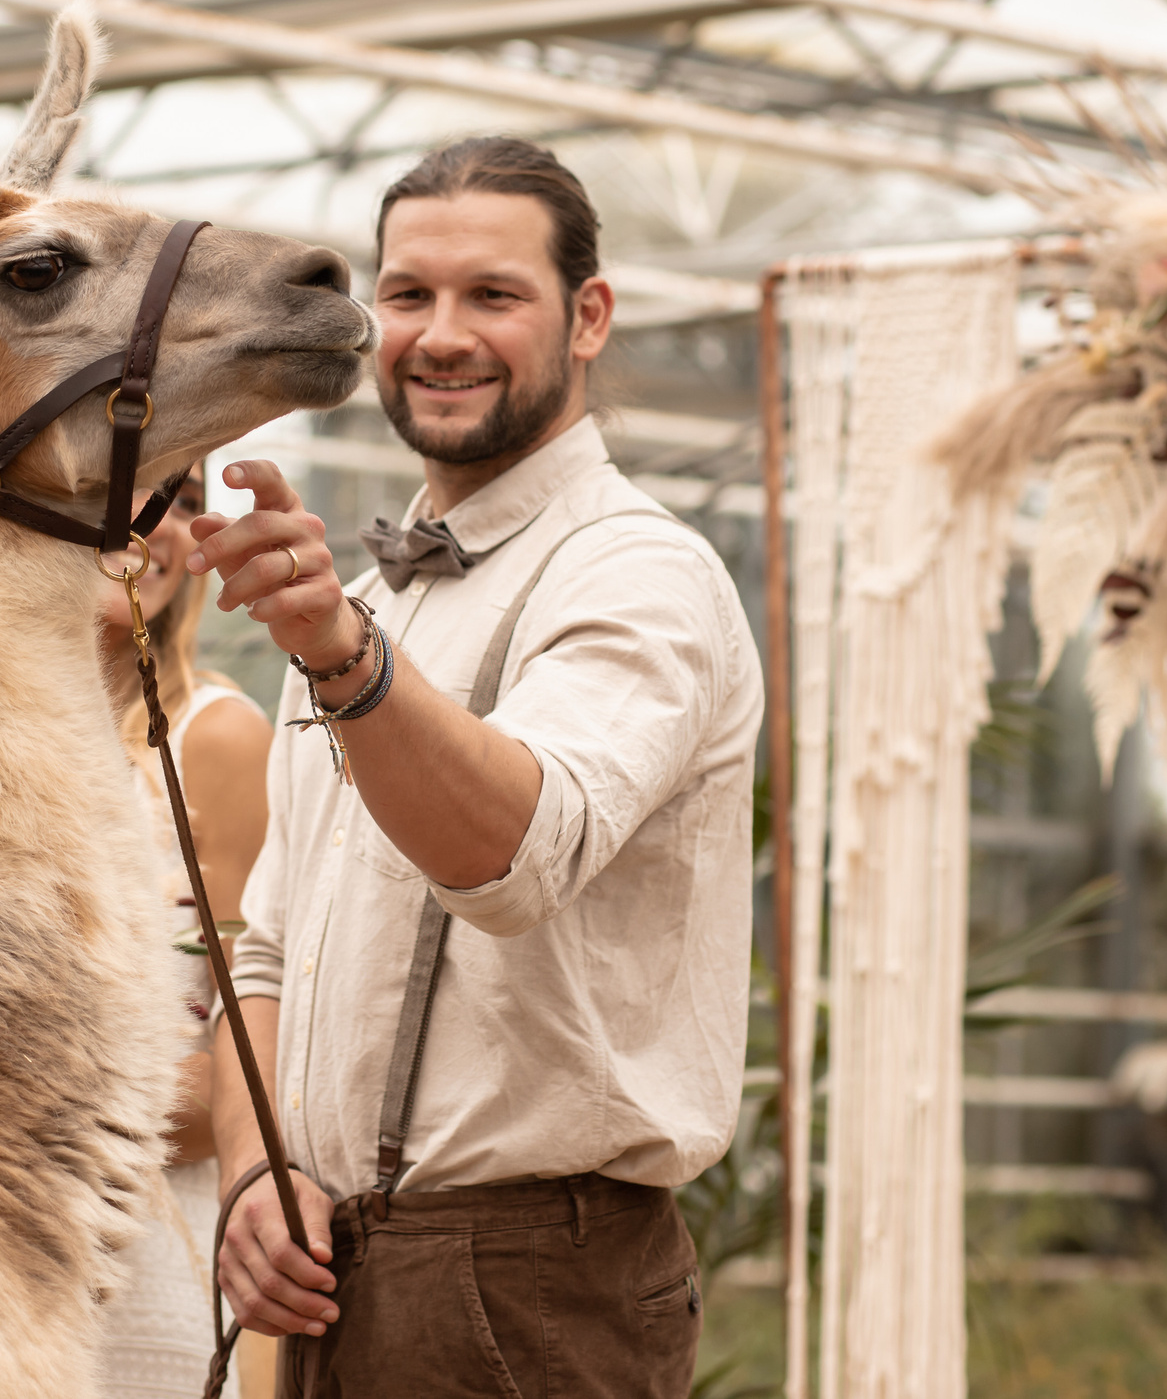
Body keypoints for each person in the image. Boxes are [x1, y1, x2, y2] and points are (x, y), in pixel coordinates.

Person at [186, 136, 763, 1397]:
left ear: (588, 315)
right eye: (408, 296)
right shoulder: (358, 600)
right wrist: (253, 1160)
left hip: (531, 1280)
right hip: (334, 1264)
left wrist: (341, 656)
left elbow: (511, 857)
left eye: (492, 296)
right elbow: (267, 950)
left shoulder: (635, 573)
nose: (441, 334)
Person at [91, 469, 274, 1399]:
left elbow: (247, 1064)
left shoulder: (219, 738)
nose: (145, 520)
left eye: (176, 490)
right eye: (112, 482)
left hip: (145, 1261)